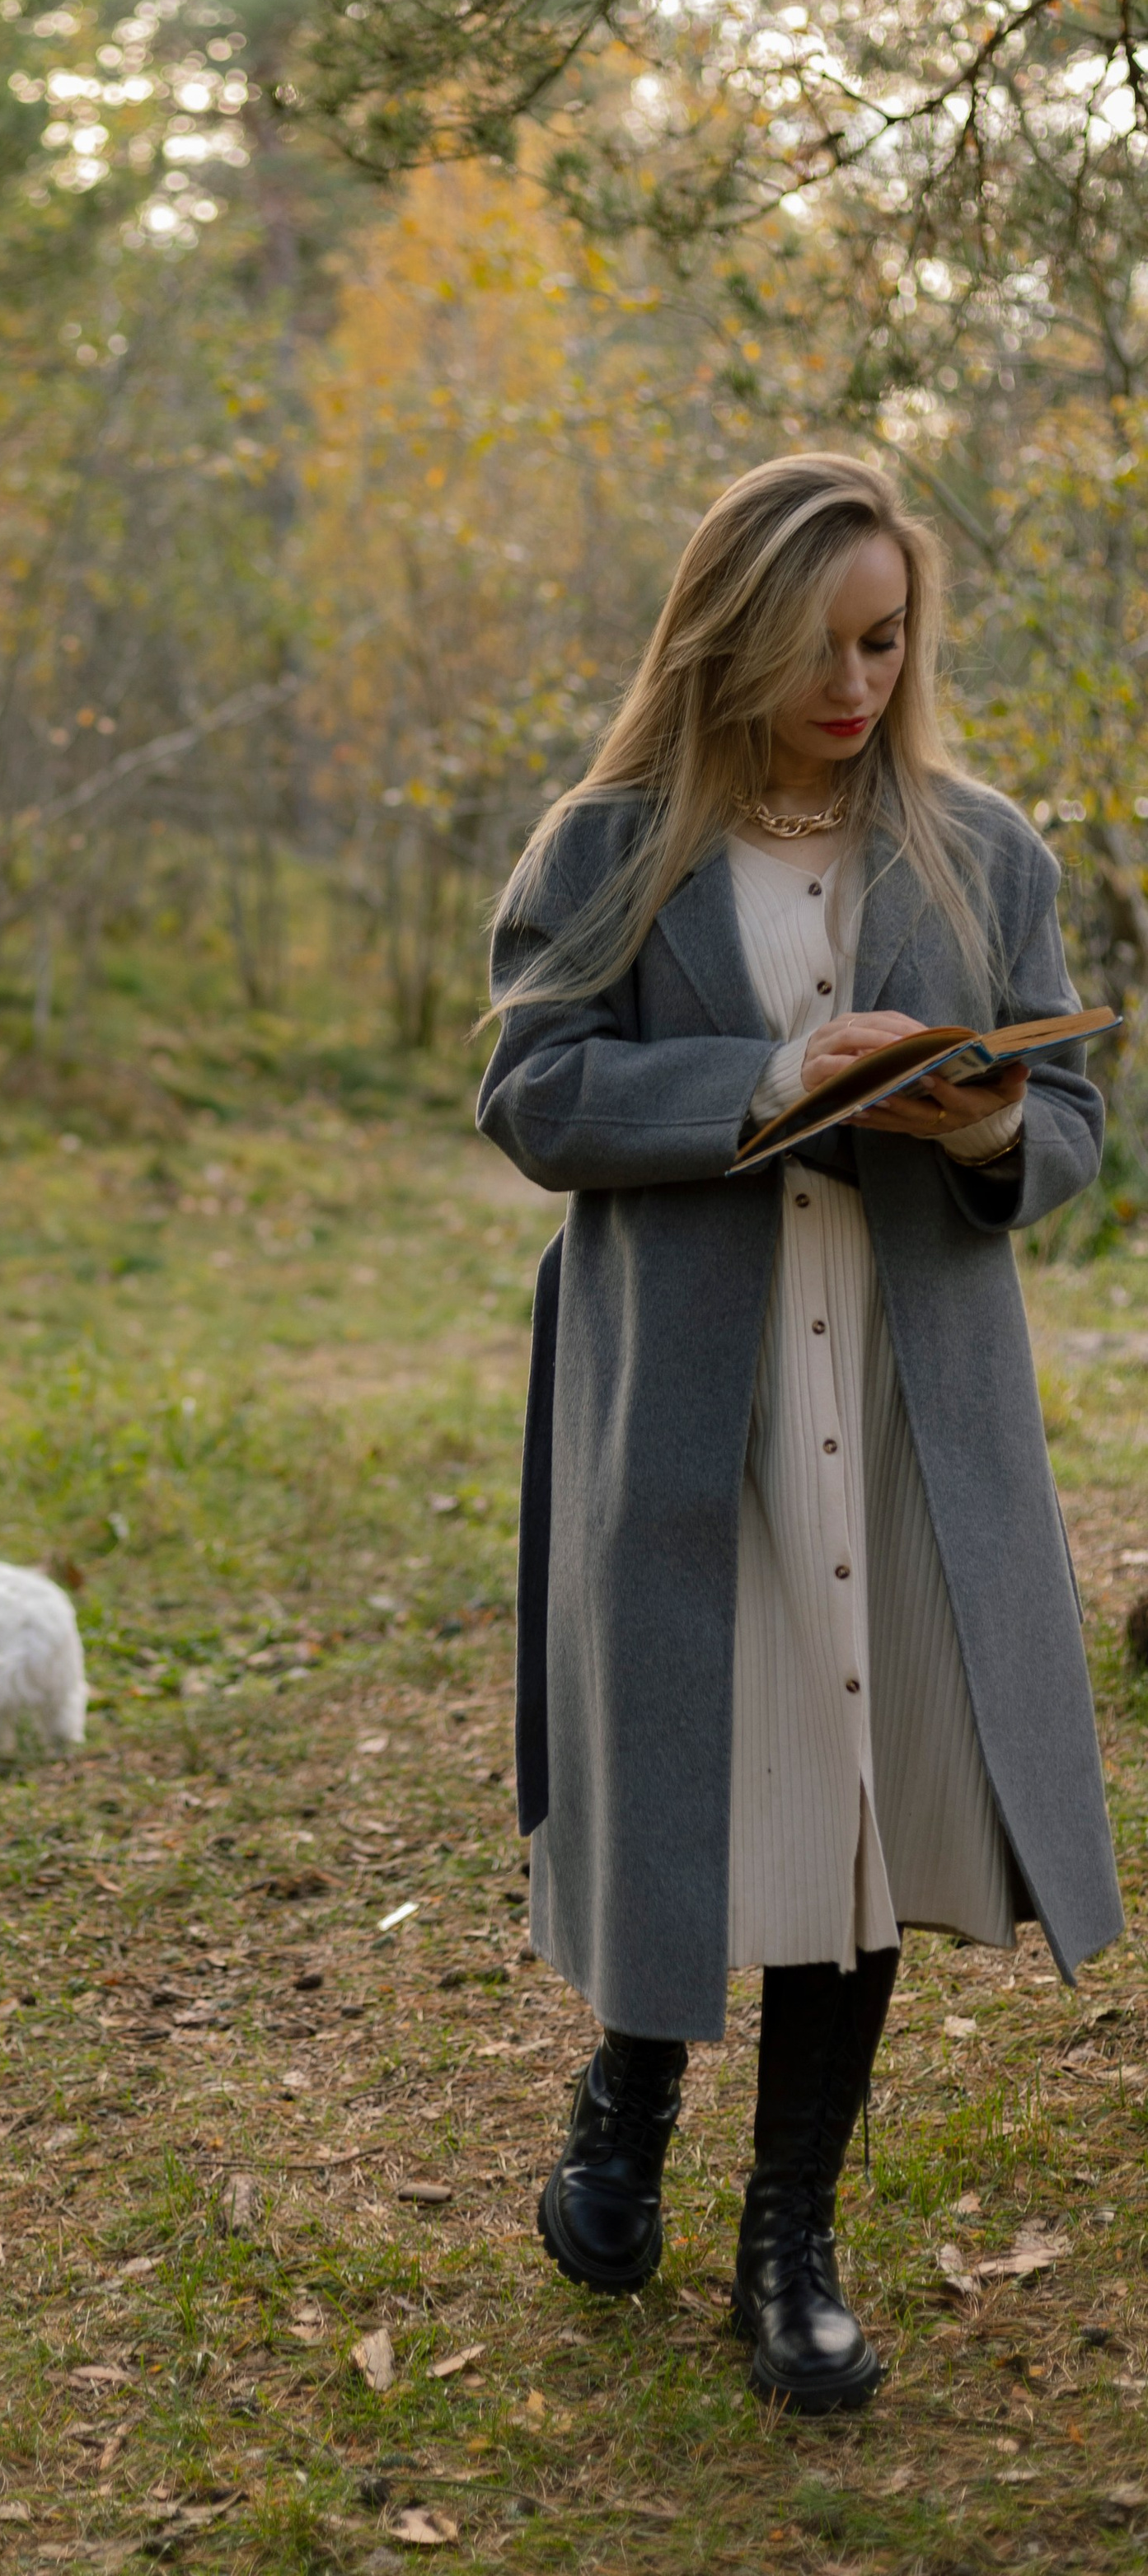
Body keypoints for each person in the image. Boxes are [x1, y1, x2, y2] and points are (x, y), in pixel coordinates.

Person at [476, 452, 1119, 2414]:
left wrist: (988, 1121)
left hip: (905, 1403)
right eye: (816, 643)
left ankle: (789, 2240)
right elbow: (531, 1095)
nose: (854, 682)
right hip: (694, 1392)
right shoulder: (606, 846)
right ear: (726, 634)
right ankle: (626, 2095)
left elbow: (1071, 1127)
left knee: (851, 1795)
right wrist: (763, 1080)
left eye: (883, 640)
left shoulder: (977, 850)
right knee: (698, 1754)